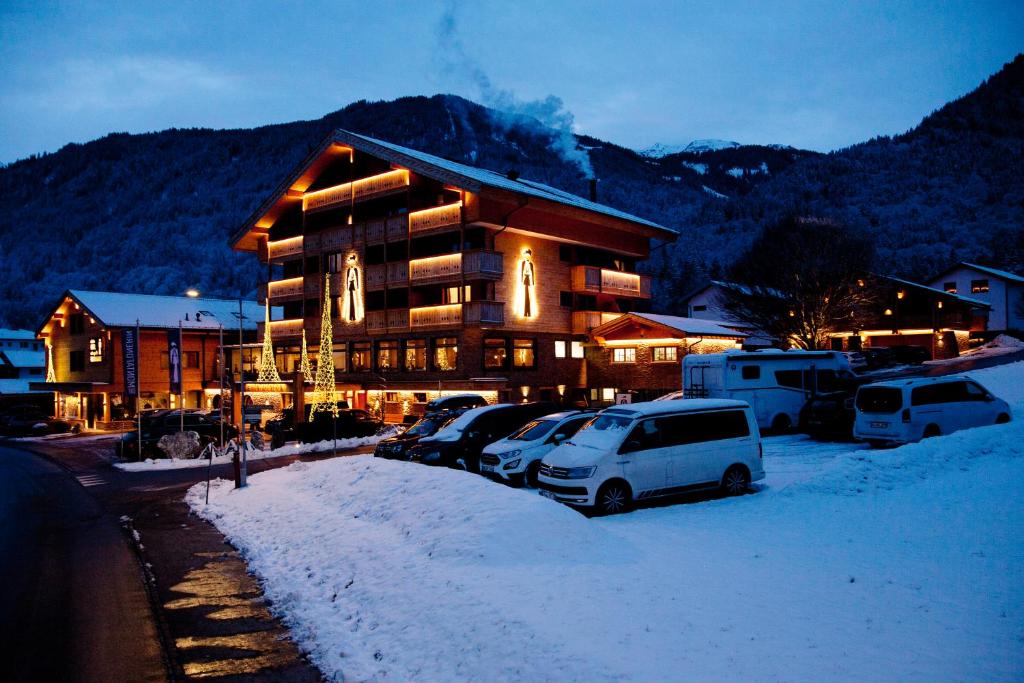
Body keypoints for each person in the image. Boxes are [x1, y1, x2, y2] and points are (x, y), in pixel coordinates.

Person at [520, 248, 535, 317]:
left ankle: (528, 312)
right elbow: (521, 272)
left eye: (528, 255)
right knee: (525, 295)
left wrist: (533, 282)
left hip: (529, 280)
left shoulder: (531, 264)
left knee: (528, 296)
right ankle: (525, 312)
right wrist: (521, 280)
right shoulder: (523, 263)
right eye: (526, 255)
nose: (527, 256)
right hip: (525, 279)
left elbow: (532, 273)